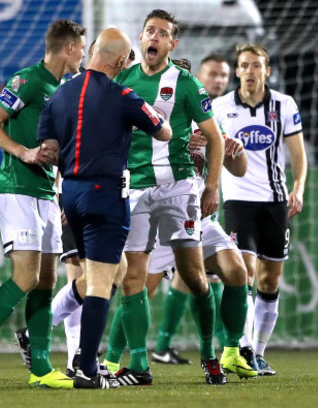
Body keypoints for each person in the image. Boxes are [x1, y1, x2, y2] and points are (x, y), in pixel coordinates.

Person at [0, 19, 86, 390]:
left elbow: (54, 146)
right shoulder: (26, 80)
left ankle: (40, 367)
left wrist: (57, 172)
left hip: (45, 192)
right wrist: (24, 152)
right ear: (69, 48)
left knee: (47, 278)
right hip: (16, 188)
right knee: (26, 276)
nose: (85, 56)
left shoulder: (64, 90)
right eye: (83, 49)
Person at [38, 27, 171, 389]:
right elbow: (163, 131)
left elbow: (48, 149)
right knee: (100, 281)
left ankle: (41, 331)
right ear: (121, 61)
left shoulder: (58, 95)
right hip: (105, 194)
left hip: (70, 195)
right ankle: (86, 369)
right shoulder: (122, 94)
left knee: (115, 270)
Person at [100, 9, 226, 386]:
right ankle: (138, 365)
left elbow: (215, 139)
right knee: (133, 279)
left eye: (162, 33)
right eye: (149, 31)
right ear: (140, 39)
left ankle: (208, 353)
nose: (154, 37)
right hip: (134, 189)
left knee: (194, 276)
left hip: (179, 190)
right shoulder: (121, 80)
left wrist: (211, 187)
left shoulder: (186, 83)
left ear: (172, 43)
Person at [213, 43, 307, 376]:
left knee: (270, 281)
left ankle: (260, 351)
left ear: (266, 71)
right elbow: (210, 144)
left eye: (256, 66)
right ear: (236, 71)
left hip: (275, 202)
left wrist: (299, 187)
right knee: (245, 274)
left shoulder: (284, 105)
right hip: (238, 202)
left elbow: (297, 152)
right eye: (244, 66)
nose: (250, 72)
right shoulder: (221, 106)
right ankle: (245, 347)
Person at [152, 54, 233, 363]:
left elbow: (229, 156)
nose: (218, 80)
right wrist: (180, 142)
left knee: (198, 276)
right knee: (133, 282)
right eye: (212, 74)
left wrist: (231, 150)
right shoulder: (162, 113)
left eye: (223, 75)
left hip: (200, 206)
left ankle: (215, 348)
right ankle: (120, 356)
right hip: (161, 203)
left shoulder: (218, 115)